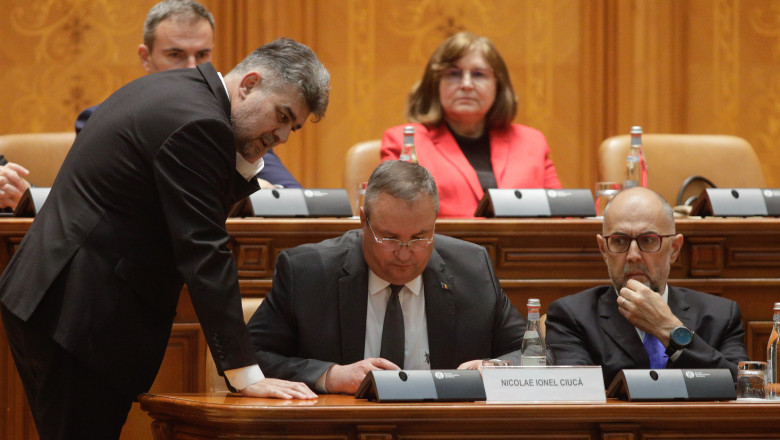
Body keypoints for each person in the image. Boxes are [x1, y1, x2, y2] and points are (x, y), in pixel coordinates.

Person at [0, 37, 329, 439]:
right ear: (249, 84)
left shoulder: (178, 90)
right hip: (81, 313)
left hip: (49, 295)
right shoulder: (201, 123)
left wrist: (246, 156)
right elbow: (204, 249)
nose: (281, 137)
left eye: (290, 127)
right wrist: (244, 374)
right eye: (281, 116)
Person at [247, 160, 526, 394]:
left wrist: (494, 368)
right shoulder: (307, 271)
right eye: (389, 238)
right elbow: (248, 357)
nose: (404, 255)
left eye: (419, 238)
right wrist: (331, 376)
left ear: (435, 225)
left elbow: (533, 352)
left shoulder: (472, 268)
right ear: (362, 221)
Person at [74, 0, 302, 189]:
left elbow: (291, 195)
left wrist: (262, 190)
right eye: (175, 55)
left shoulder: (234, 124)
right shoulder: (105, 118)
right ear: (146, 57)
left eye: (203, 54)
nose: (193, 68)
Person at [545, 187, 749, 387]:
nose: (633, 255)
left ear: (675, 249)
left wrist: (669, 330)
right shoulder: (571, 317)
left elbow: (743, 386)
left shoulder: (721, 316)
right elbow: (579, 397)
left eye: (648, 240)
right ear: (603, 250)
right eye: (618, 241)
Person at [380, 32, 561, 218]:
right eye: (453, 74)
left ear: (498, 86)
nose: (466, 84)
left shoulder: (532, 142)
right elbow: (390, 217)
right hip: (440, 246)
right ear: (435, 84)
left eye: (479, 74)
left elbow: (563, 216)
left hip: (519, 246)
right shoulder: (406, 141)